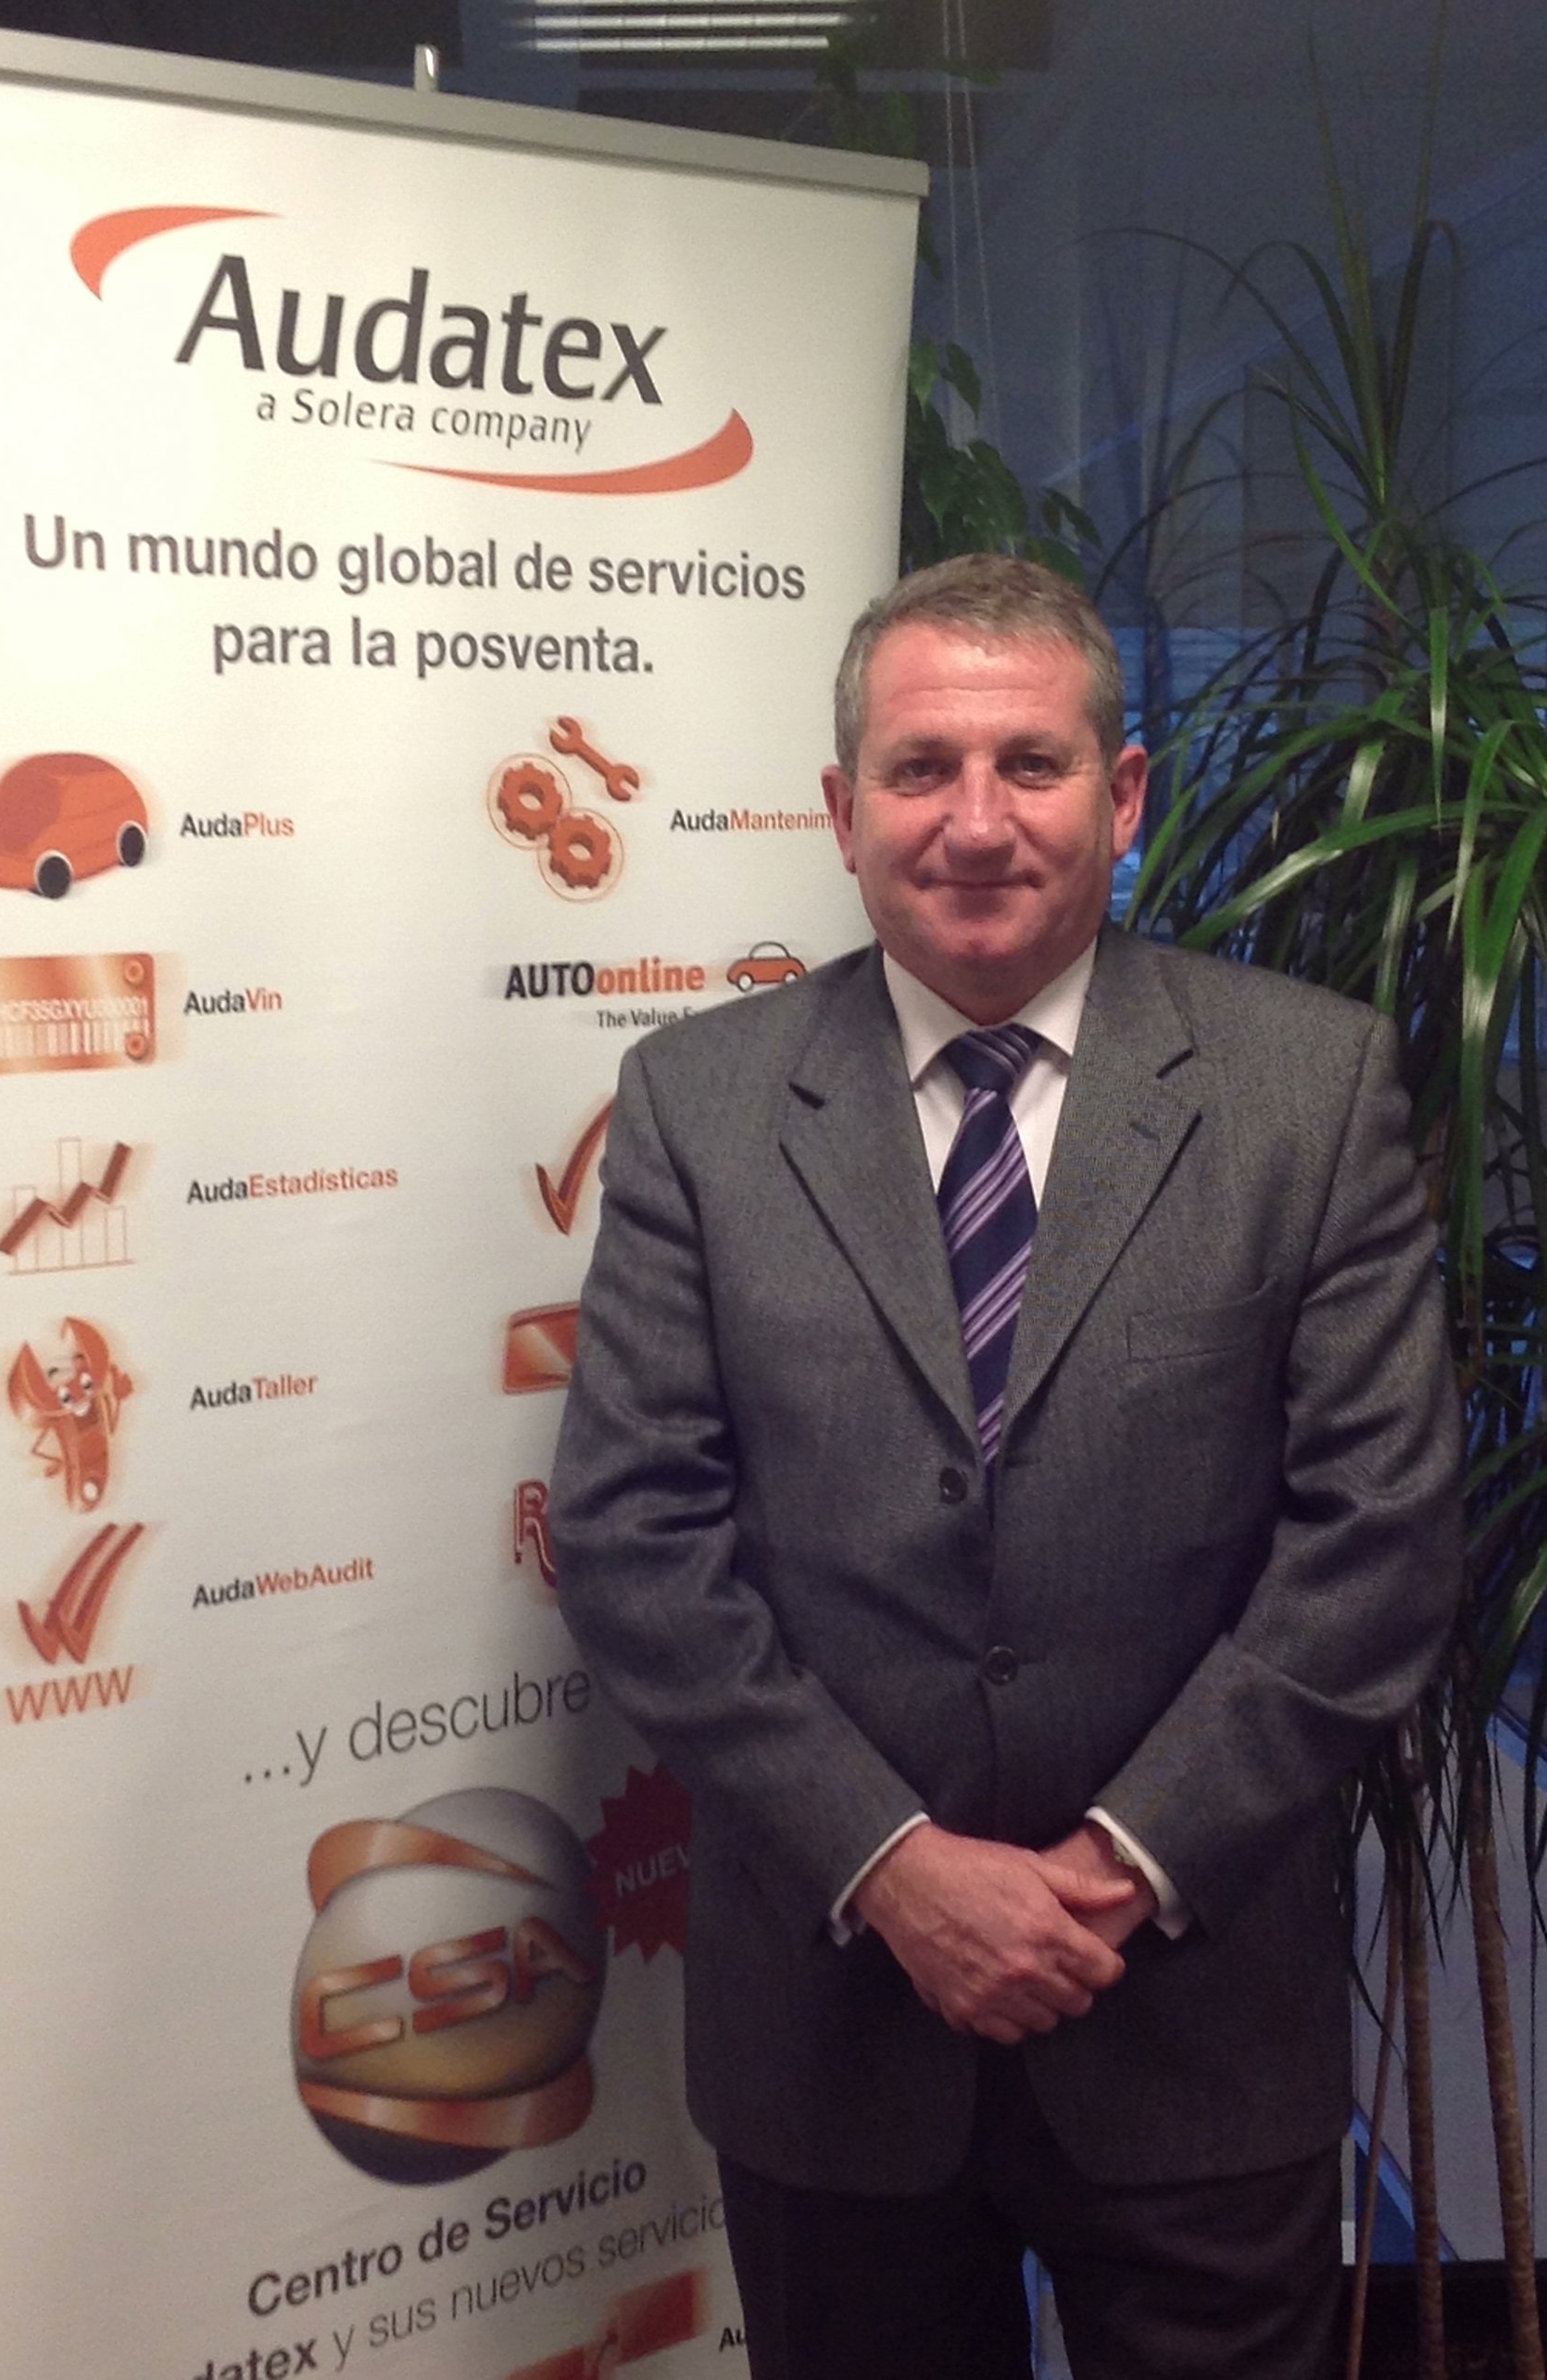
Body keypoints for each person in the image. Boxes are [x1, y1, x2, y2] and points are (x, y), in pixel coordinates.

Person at [550, 554, 1461, 2380]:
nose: (976, 822)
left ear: (1122, 796)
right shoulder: (699, 1105)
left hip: (1195, 2020)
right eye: (922, 768)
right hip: (835, 2034)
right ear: (842, 811)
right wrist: (894, 1866)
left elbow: (1379, 1535)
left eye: (1030, 764)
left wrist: (1118, 1868)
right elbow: (635, 1535)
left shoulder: (1309, 1089)